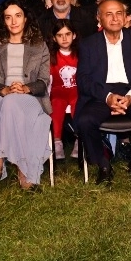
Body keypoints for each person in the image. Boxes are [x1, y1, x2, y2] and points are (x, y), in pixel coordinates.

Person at [76, 0, 131, 183]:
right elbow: (83, 79)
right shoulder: (88, 44)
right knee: (85, 121)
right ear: (99, 18)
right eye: (109, 14)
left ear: (125, 18)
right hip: (101, 93)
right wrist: (107, 97)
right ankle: (103, 164)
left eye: (119, 13)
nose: (115, 18)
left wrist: (130, 97)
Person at [0, 1, 52, 192]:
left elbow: (43, 81)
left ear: (25, 18)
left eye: (18, 16)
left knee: (12, 102)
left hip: (30, 100)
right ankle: (24, 173)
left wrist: (26, 88)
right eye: (8, 17)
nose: (13, 21)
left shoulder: (39, 46)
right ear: (3, 21)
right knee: (9, 102)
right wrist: (2, 89)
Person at [48, 20, 81, 162]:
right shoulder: (51, 56)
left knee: (78, 103)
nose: (64, 38)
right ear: (54, 38)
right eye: (60, 35)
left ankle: (79, 139)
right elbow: (49, 80)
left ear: (74, 35)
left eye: (68, 34)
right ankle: (57, 141)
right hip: (58, 90)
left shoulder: (80, 54)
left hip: (77, 90)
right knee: (56, 104)